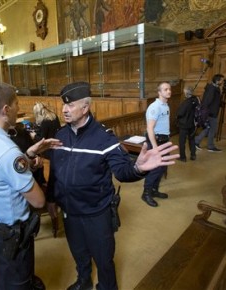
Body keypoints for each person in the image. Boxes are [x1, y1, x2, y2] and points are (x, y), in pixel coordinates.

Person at [46, 81, 179, 290]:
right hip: (70, 211)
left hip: (96, 212)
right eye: (64, 105)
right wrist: (51, 199)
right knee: (79, 252)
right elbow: (55, 170)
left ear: (85, 107)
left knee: (103, 257)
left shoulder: (104, 137)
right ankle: (83, 281)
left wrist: (139, 168)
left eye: (70, 105)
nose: (64, 110)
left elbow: (122, 172)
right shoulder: (60, 136)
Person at [0, 81, 62, 290]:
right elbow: (38, 200)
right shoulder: (8, 152)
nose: (18, 108)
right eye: (16, 104)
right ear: (5, 110)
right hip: (12, 233)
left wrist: (28, 155)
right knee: (18, 282)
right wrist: (25, 165)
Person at [30, 102, 61, 237]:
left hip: (47, 152)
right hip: (57, 148)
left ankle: (42, 181)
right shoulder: (54, 116)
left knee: (37, 156)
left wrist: (32, 136)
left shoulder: (43, 122)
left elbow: (41, 140)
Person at [142, 82, 172, 207]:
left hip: (164, 140)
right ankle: (146, 193)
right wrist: (154, 147)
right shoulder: (155, 107)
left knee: (162, 168)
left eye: (169, 89)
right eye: (165, 89)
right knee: (154, 169)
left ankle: (154, 190)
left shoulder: (165, 105)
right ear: (159, 92)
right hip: (156, 141)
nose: (169, 91)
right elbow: (150, 129)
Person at [195, 73, 225, 152]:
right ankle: (210, 146)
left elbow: (214, 100)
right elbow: (207, 101)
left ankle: (196, 141)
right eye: (222, 80)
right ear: (218, 81)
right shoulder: (212, 89)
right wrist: (206, 113)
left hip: (211, 112)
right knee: (212, 129)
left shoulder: (214, 88)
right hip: (210, 113)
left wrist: (220, 103)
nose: (223, 82)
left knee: (209, 129)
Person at [176, 86, 199, 162]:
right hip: (192, 124)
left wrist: (177, 115)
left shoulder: (185, 103)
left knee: (182, 141)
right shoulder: (195, 100)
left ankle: (183, 157)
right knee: (191, 139)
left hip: (184, 124)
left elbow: (180, 113)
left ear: (186, 93)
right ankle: (193, 155)